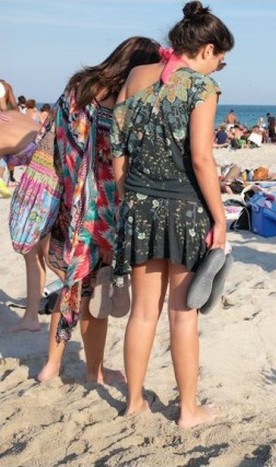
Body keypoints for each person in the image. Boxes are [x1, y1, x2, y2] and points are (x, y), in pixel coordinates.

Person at [111, 0, 234, 428]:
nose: (218, 68)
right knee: (183, 314)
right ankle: (188, 410)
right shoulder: (202, 88)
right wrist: (220, 218)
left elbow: (118, 143)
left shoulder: (136, 76)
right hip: (185, 209)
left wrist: (127, 194)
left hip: (139, 205)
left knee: (143, 313)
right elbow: (201, 158)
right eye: (220, 60)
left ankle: (133, 401)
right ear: (207, 49)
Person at [32, 37, 161, 380]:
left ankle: (51, 365)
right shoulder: (123, 103)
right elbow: (123, 162)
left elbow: (51, 141)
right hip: (101, 212)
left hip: (67, 204)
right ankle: (95, 370)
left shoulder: (76, 91)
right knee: (94, 293)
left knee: (70, 286)